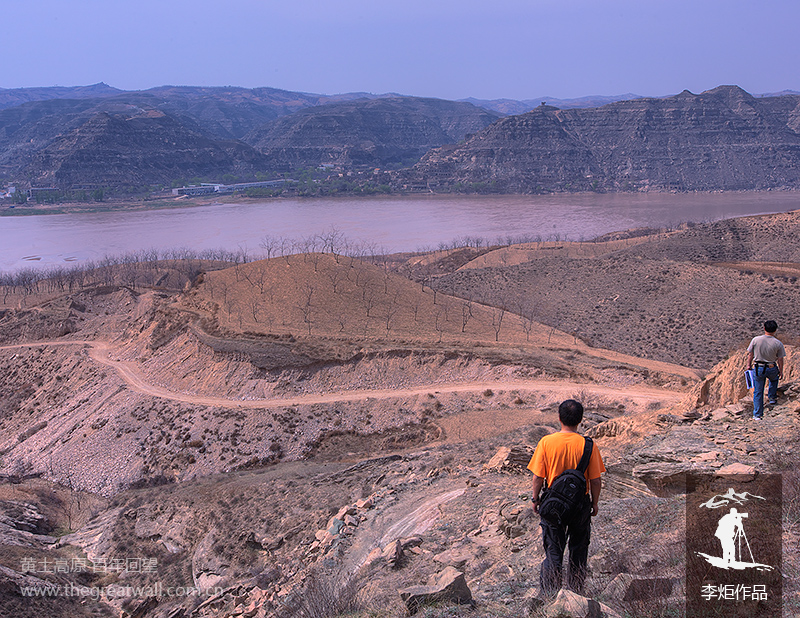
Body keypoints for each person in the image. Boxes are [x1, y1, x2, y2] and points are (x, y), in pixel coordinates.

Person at [528, 399, 605, 595]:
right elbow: (595, 481)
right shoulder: (588, 445)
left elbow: (538, 477)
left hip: (553, 505)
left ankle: (551, 597)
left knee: (554, 551)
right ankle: (576, 595)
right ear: (580, 420)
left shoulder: (546, 442)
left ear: (559, 418)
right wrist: (594, 503)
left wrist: (535, 500)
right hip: (580, 506)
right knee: (579, 551)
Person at [747, 320, 786, 420]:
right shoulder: (778, 343)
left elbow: (750, 354)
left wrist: (748, 365)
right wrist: (781, 371)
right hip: (771, 367)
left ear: (764, 328)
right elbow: (780, 359)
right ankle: (772, 398)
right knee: (774, 380)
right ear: (775, 330)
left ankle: (757, 415)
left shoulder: (756, 340)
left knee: (758, 391)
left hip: (758, 368)